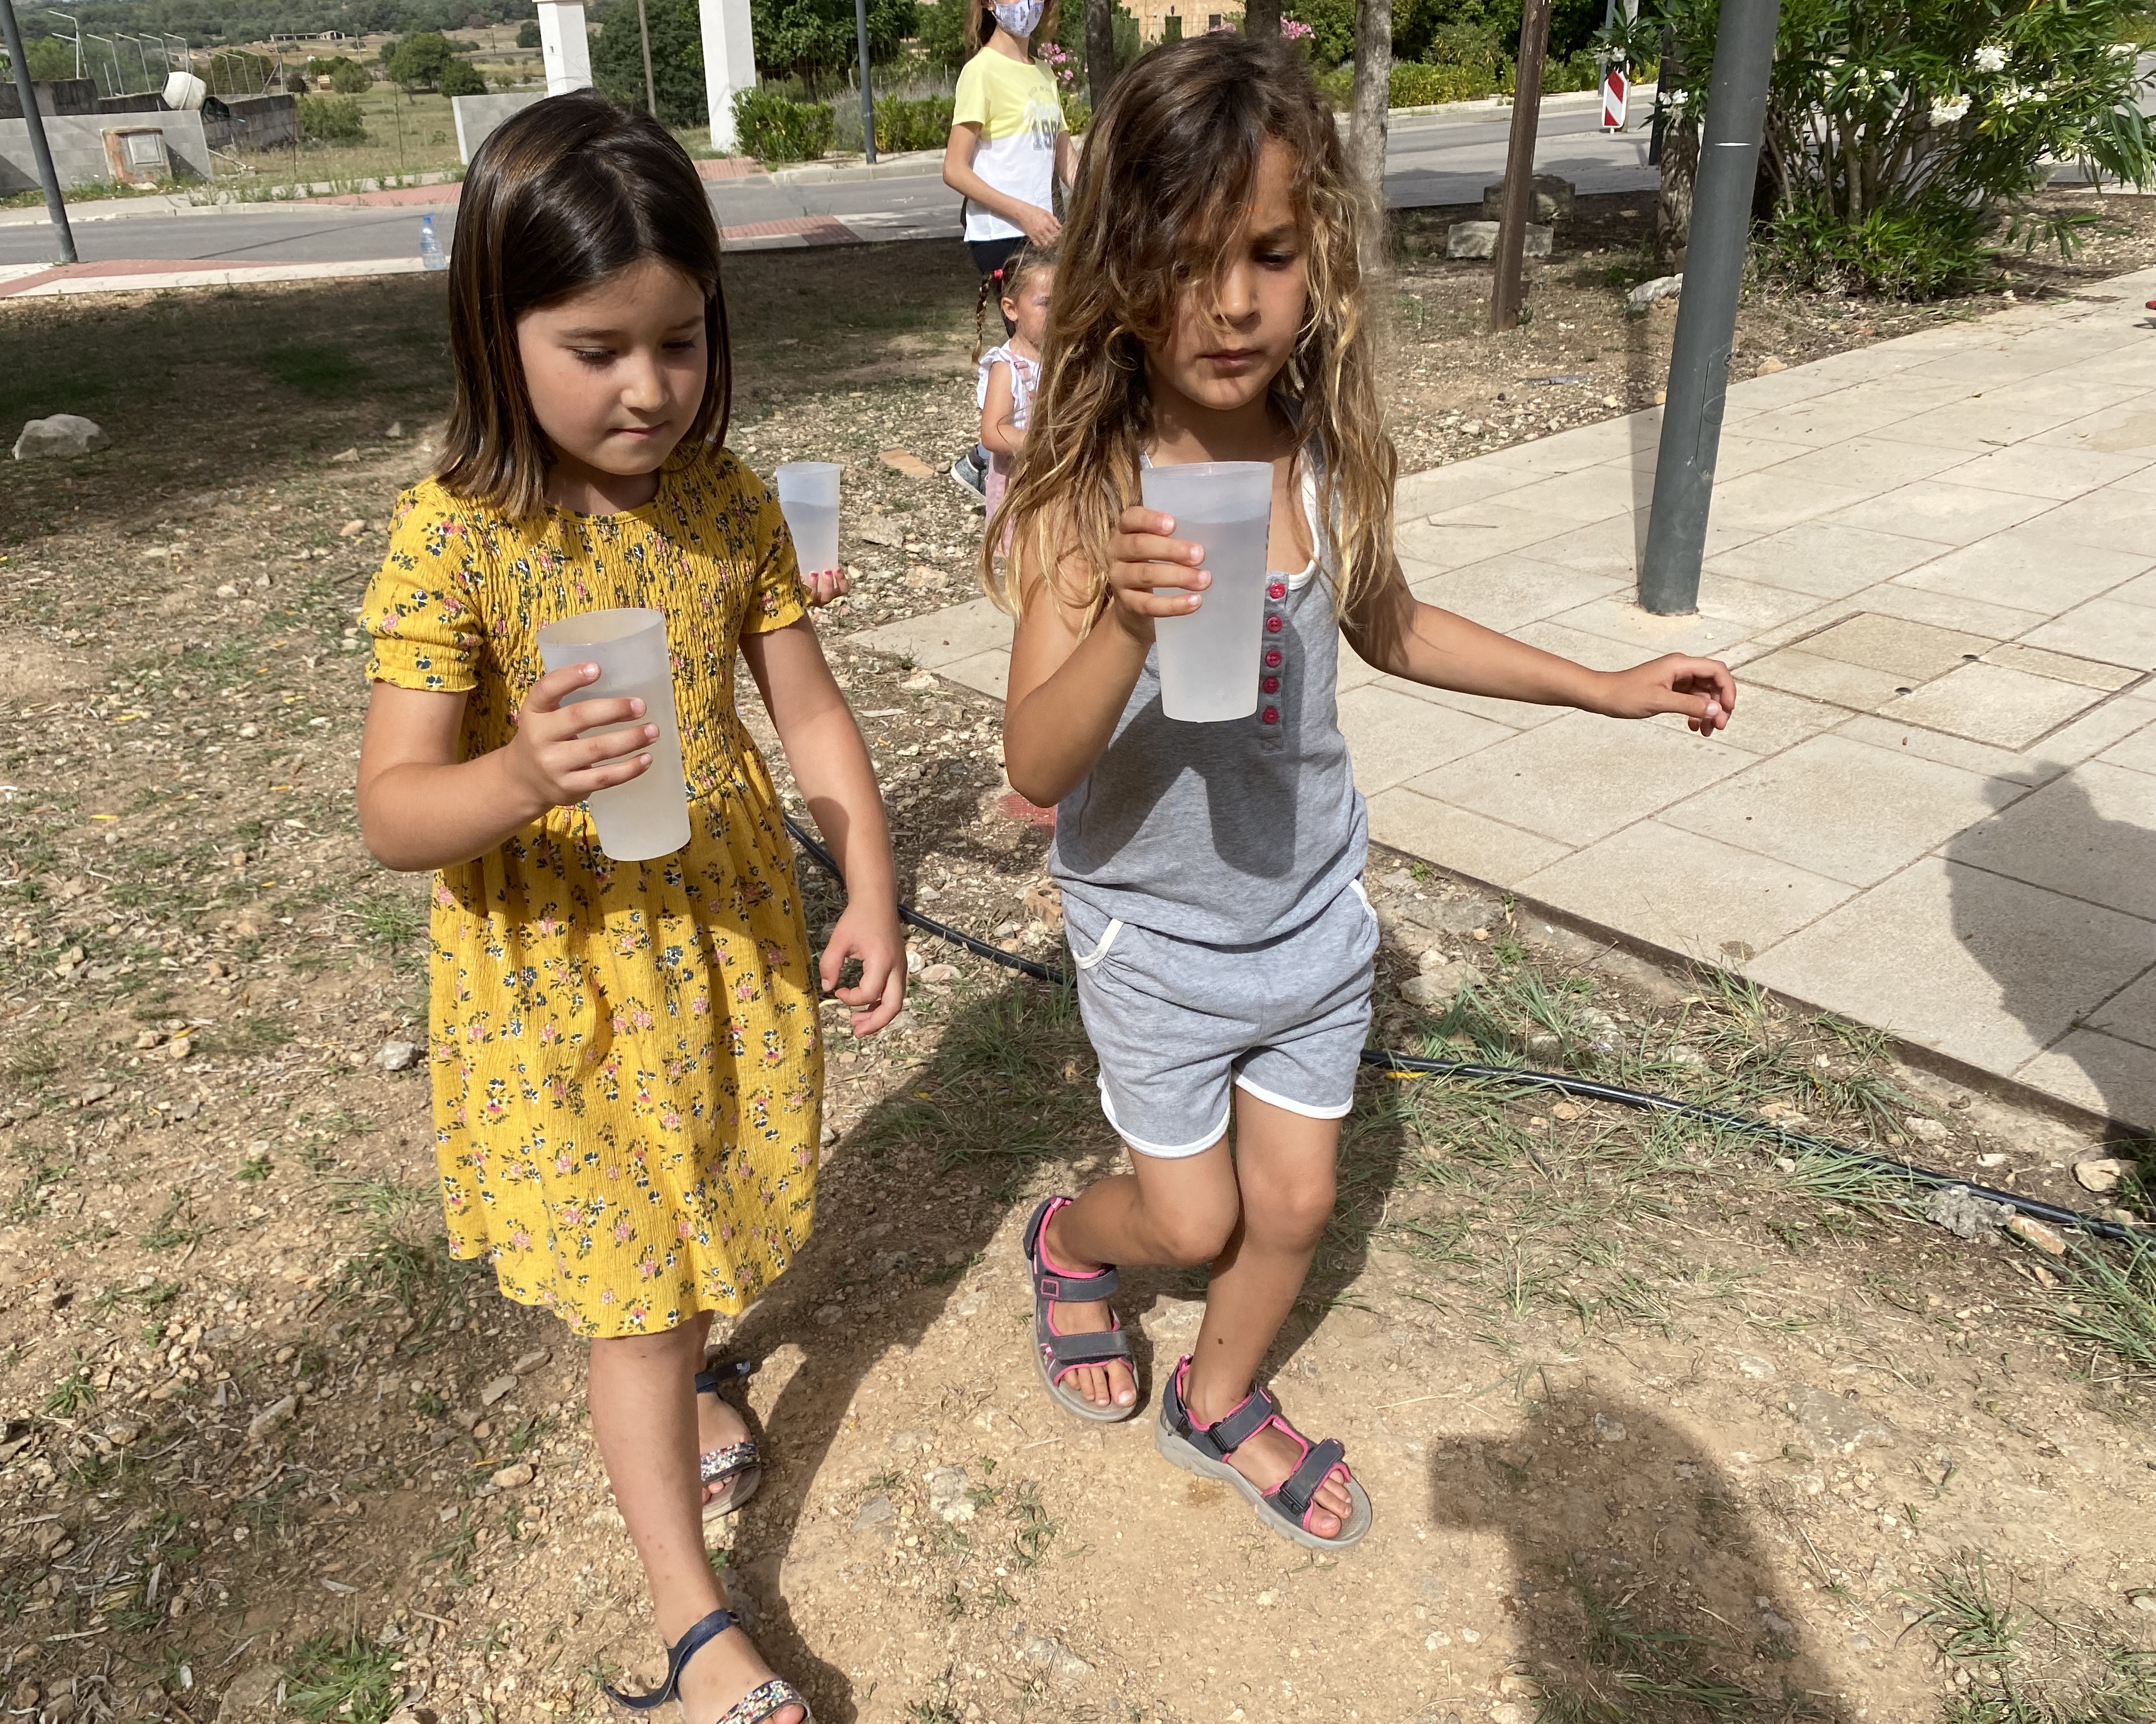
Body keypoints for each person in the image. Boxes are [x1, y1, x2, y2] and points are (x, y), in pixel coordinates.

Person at [986, 35, 1736, 1551]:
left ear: (1317, 252)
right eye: (1192, 258)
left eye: (1268, 252)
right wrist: (1130, 623)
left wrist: (1602, 684)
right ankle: (1071, 1241)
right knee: (1188, 1220)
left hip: (1308, 911)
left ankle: (1219, 1392)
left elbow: (1388, 622)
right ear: (1122, 266)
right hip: (1157, 933)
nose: (1235, 301)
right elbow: (1035, 766)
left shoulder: (1318, 455)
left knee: (1301, 1207)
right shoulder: (1091, 494)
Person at [352, 92, 904, 1724]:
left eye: (679, 340)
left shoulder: (726, 503)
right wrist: (518, 773)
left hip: (722, 947)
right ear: (494, 325)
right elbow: (394, 809)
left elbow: (805, 711)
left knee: (710, 1204)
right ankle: (693, 1618)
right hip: (563, 987)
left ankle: (696, 1387)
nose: (650, 387)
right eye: (598, 346)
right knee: (638, 1299)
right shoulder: (455, 538)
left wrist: (868, 873)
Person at [943, 0, 1075, 503]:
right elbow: (955, 169)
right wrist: (1023, 213)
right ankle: (998, 458)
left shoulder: (1043, 72)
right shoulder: (980, 73)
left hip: (1044, 232)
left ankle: (987, 460)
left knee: (1055, 351)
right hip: (1002, 234)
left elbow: (1065, 159)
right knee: (1039, 348)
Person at [975, 248, 1053, 519]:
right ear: (1011, 309)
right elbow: (993, 433)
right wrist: (1047, 444)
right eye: (1047, 304)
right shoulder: (1006, 367)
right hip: (1020, 490)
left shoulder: (1064, 361)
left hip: (1059, 482)